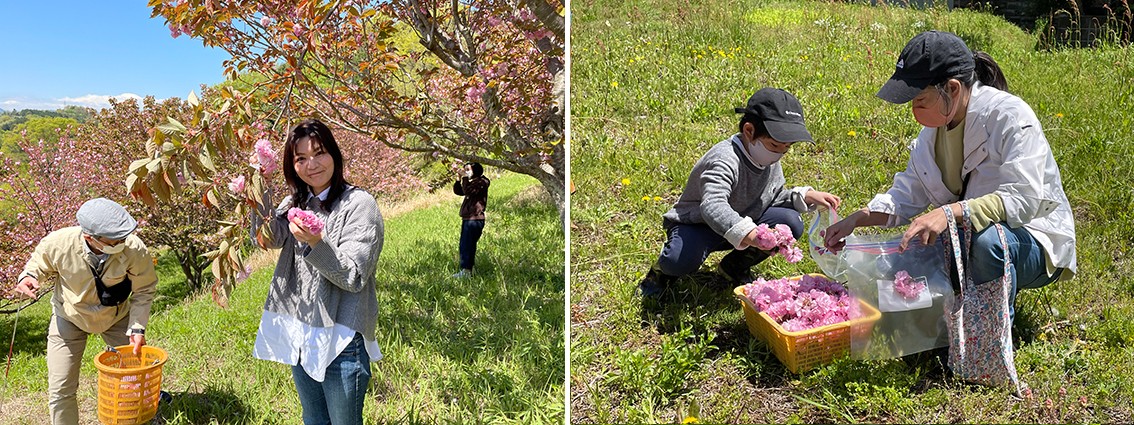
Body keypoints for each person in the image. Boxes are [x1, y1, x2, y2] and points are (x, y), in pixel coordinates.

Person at [822, 31, 1076, 323]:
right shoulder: (933, 132)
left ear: (952, 89)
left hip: (1032, 239)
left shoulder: (1010, 117)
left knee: (986, 244)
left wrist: (950, 213)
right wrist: (858, 218)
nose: (914, 111)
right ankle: (945, 324)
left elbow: (1025, 198)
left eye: (919, 100)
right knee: (900, 263)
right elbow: (907, 195)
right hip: (969, 237)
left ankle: (985, 339)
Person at [638, 87, 842, 296]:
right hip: (699, 225)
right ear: (749, 131)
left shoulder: (767, 157)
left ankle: (733, 267)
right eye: (775, 145)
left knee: (790, 222)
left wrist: (803, 196)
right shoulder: (725, 159)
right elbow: (712, 206)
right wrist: (752, 234)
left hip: (744, 220)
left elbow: (770, 197)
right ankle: (659, 275)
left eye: (786, 148)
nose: (780, 153)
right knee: (679, 260)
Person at [251, 119, 384, 425]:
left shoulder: (359, 205)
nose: (312, 165)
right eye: (300, 158)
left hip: (341, 337)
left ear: (334, 155)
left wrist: (315, 242)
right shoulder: (295, 203)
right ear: (291, 165)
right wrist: (257, 192)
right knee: (313, 418)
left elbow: (354, 276)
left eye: (319, 152)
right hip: (301, 329)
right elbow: (269, 239)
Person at [9, 198, 158, 425]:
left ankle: (137, 417)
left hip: (116, 317)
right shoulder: (58, 243)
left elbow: (144, 288)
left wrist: (137, 326)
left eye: (124, 237)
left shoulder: (133, 247)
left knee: (135, 376)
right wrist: (28, 278)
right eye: (115, 240)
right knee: (60, 388)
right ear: (90, 237)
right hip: (69, 317)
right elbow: (36, 265)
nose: (122, 242)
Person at [452, 162, 490, 278]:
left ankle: (466, 271)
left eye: (468, 169)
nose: (466, 171)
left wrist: (464, 178)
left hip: (474, 218)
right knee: (466, 244)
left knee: (467, 244)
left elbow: (468, 191)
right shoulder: (472, 182)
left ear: (475, 170)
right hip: (468, 218)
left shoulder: (482, 182)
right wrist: (459, 180)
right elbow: (460, 191)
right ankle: (469, 269)